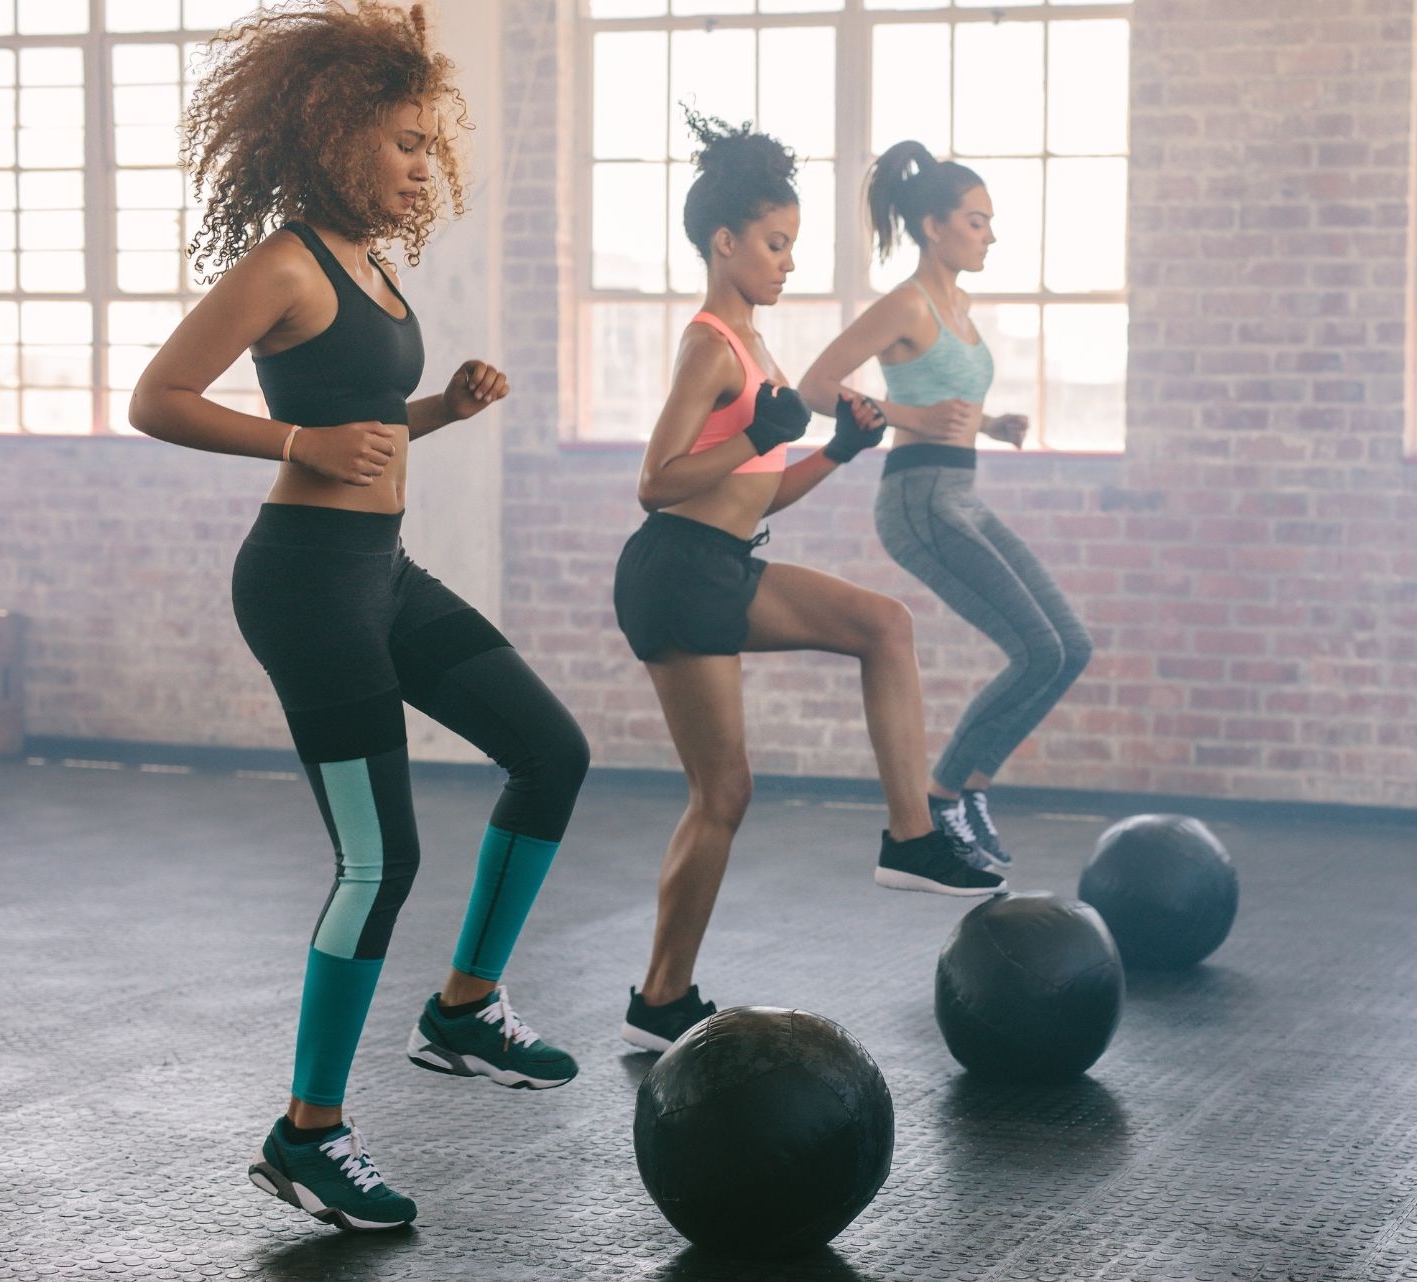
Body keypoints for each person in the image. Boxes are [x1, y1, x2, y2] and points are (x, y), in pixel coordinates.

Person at [130, 1, 588, 1232]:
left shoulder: (373, 265)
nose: (421, 166)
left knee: (553, 751)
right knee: (381, 860)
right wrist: (290, 438)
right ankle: (308, 1134)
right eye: (403, 143)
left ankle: (463, 1008)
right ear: (336, 137)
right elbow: (156, 397)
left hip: (377, 571)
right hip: (303, 583)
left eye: (429, 145)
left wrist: (442, 405)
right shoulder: (284, 263)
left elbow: (366, 431)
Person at [612, 112, 1006, 1055]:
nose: (788, 263)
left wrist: (838, 445)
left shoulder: (756, 345)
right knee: (723, 795)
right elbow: (655, 481)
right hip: (676, 573)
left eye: (793, 244)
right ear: (725, 242)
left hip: (720, 564)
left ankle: (910, 836)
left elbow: (759, 490)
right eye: (776, 244)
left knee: (883, 625)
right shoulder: (713, 342)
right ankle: (662, 997)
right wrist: (759, 430)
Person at [798, 140, 1092, 870]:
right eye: (976, 220)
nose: (989, 234)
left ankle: (971, 785)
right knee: (1036, 651)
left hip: (961, 492)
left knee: (1069, 648)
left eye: (990, 222)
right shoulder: (906, 302)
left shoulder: (958, 304)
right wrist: (909, 418)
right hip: (918, 501)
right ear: (934, 226)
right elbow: (814, 385)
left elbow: (947, 395)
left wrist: (991, 424)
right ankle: (940, 796)